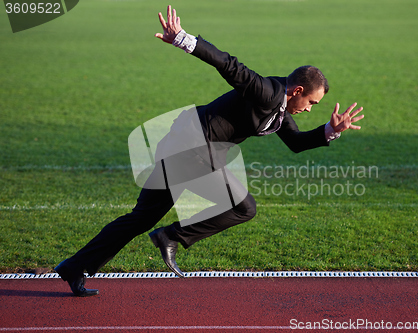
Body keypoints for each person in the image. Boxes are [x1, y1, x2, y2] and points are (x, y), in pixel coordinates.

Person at [54, 4, 364, 297]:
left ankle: (73, 267)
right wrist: (183, 39)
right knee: (244, 208)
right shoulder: (268, 92)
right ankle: (170, 237)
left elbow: (297, 144)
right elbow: (229, 65)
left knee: (140, 219)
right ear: (297, 91)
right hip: (193, 147)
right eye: (311, 102)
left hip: (180, 145)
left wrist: (331, 131)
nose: (310, 109)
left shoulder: (280, 111)